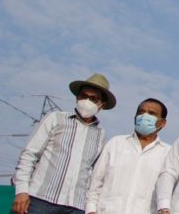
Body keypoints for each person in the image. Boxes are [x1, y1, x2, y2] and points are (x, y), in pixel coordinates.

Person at [13, 73, 116, 214]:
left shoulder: (100, 135)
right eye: (83, 96)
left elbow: (94, 174)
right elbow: (29, 154)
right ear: (77, 97)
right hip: (40, 200)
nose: (87, 101)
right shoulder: (55, 119)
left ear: (101, 105)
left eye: (93, 98)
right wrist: (22, 190)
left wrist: (91, 207)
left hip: (76, 205)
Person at [85, 98, 170, 214]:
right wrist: (91, 210)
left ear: (162, 123)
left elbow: (167, 193)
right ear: (135, 117)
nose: (144, 116)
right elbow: (95, 183)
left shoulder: (168, 154)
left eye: (152, 113)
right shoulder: (116, 143)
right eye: (141, 112)